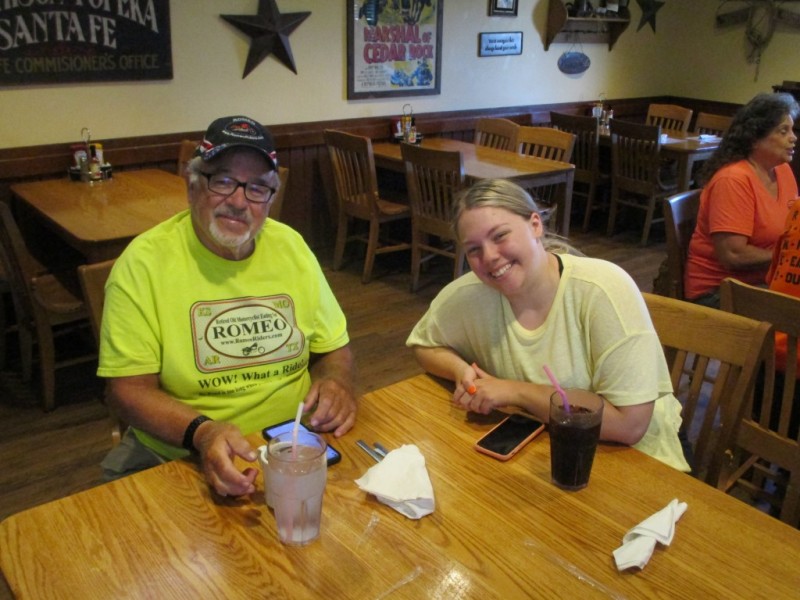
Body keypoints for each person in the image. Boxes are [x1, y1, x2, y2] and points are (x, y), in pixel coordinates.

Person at [98, 116, 357, 497]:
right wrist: (203, 432)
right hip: (178, 454)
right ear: (191, 188)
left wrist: (336, 381)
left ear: (270, 199)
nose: (238, 201)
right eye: (222, 181)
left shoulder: (292, 248)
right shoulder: (142, 264)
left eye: (256, 188)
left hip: (296, 441)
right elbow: (127, 391)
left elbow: (334, 347)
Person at [406, 179, 691, 472]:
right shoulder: (467, 294)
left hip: (641, 462)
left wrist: (513, 392)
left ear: (535, 225)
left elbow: (630, 426)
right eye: (474, 250)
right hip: (543, 453)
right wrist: (459, 370)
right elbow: (423, 345)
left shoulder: (602, 289)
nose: (489, 257)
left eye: (500, 235)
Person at [684, 92, 799, 308]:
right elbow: (733, 255)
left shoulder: (782, 170)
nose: (793, 137)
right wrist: (786, 256)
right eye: (783, 131)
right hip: (719, 292)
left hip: (764, 281)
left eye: (792, 130)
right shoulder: (733, 180)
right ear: (755, 138)